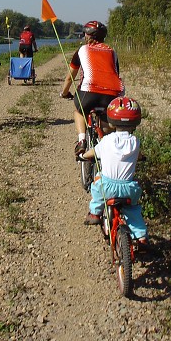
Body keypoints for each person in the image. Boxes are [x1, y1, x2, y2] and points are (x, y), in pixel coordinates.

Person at [82, 96, 148, 245]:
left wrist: (84, 155)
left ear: (111, 121)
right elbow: (138, 155)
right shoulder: (135, 142)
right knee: (133, 211)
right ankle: (141, 236)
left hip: (107, 187)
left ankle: (95, 213)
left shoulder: (107, 140)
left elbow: (93, 152)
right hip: (129, 189)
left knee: (98, 181)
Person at [60, 21, 124, 158]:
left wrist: (64, 93)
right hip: (113, 94)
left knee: (79, 111)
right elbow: (115, 74)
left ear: (89, 36)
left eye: (85, 33)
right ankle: (110, 148)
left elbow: (70, 78)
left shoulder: (82, 50)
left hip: (89, 92)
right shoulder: (112, 52)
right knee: (108, 127)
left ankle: (82, 140)